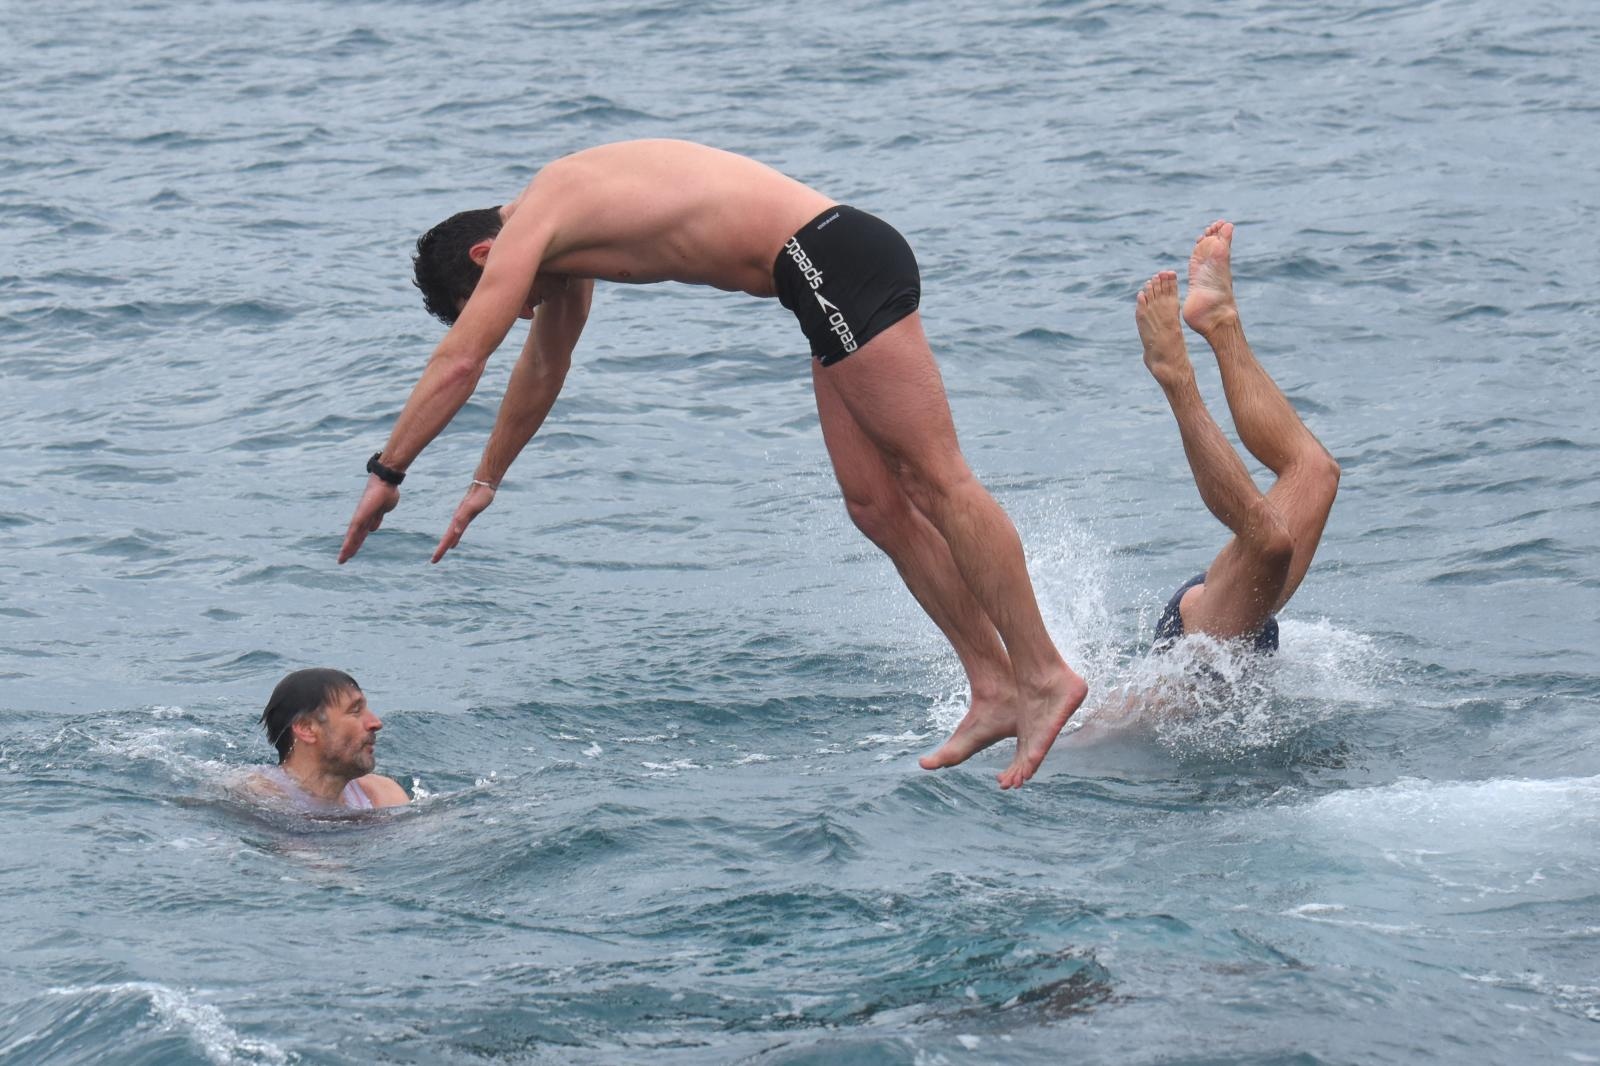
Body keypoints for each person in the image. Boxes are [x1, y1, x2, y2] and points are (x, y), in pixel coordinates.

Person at [336, 139, 1085, 788]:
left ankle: (1043, 674)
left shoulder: (540, 213)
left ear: (485, 257)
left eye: (508, 299)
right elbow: (543, 367)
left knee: (935, 479)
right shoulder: (562, 236)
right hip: (817, 278)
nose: (523, 310)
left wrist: (388, 471)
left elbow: (465, 358)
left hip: (827, 257)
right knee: (875, 506)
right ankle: (993, 685)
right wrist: (484, 482)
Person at [1135, 221, 1340, 657]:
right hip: (1201, 644)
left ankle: (1220, 320)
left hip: (1222, 626)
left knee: (1314, 474)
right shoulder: (1132, 712)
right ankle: (1176, 377)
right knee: (1301, 495)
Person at [247, 668, 410, 811]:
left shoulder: (383, 796)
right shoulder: (254, 797)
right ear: (307, 728)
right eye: (355, 711)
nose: (376, 722)